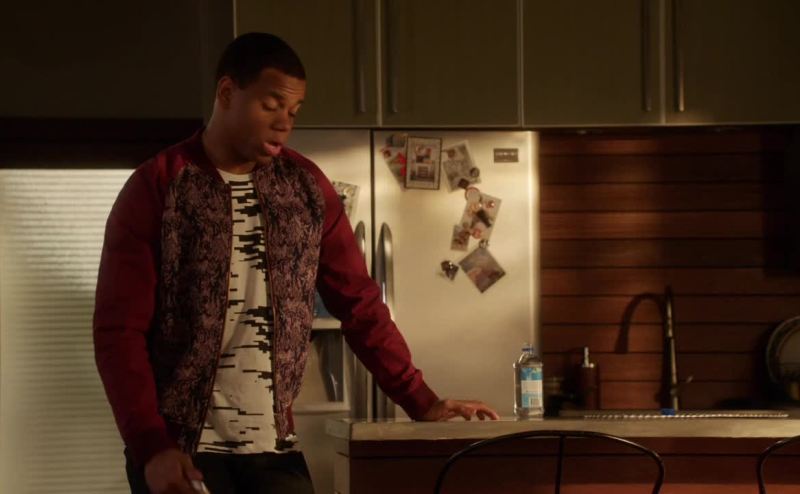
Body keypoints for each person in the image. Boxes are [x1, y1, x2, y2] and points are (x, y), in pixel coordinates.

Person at [93, 32, 498, 494]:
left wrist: (421, 400)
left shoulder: (305, 188)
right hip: (180, 452)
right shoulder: (158, 187)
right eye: (271, 105)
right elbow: (118, 332)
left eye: (294, 110)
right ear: (227, 93)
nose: (285, 122)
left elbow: (361, 305)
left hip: (274, 450)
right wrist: (150, 445)